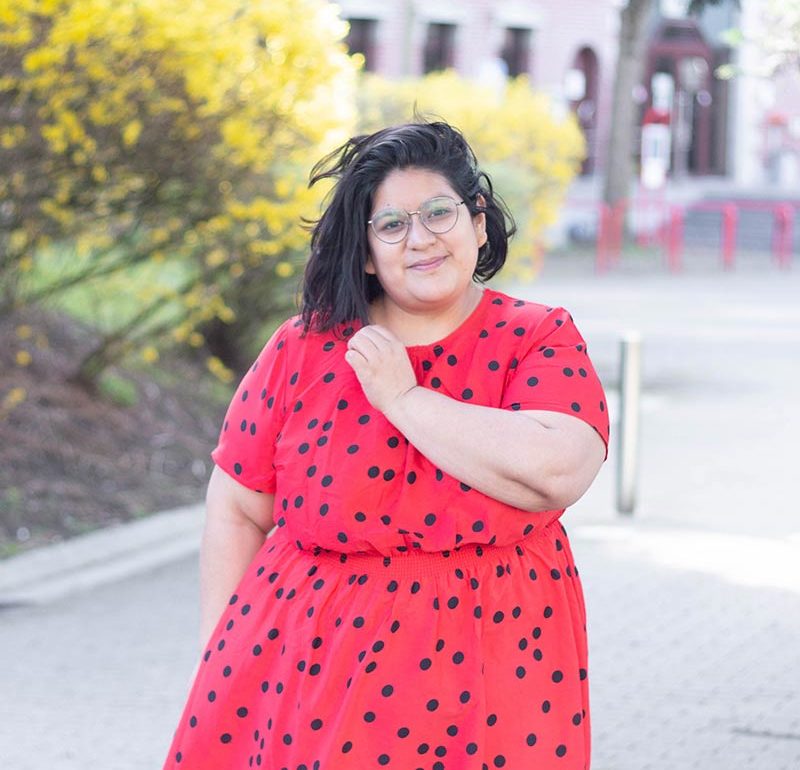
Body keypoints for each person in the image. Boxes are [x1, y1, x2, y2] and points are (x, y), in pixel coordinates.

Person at [162, 120, 609, 770]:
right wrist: (224, 656)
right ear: (367, 252)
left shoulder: (536, 338)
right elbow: (236, 509)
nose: (420, 239)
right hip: (310, 679)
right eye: (392, 225)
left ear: (478, 222)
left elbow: (560, 467)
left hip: (494, 676)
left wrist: (405, 400)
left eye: (438, 213)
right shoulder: (304, 347)